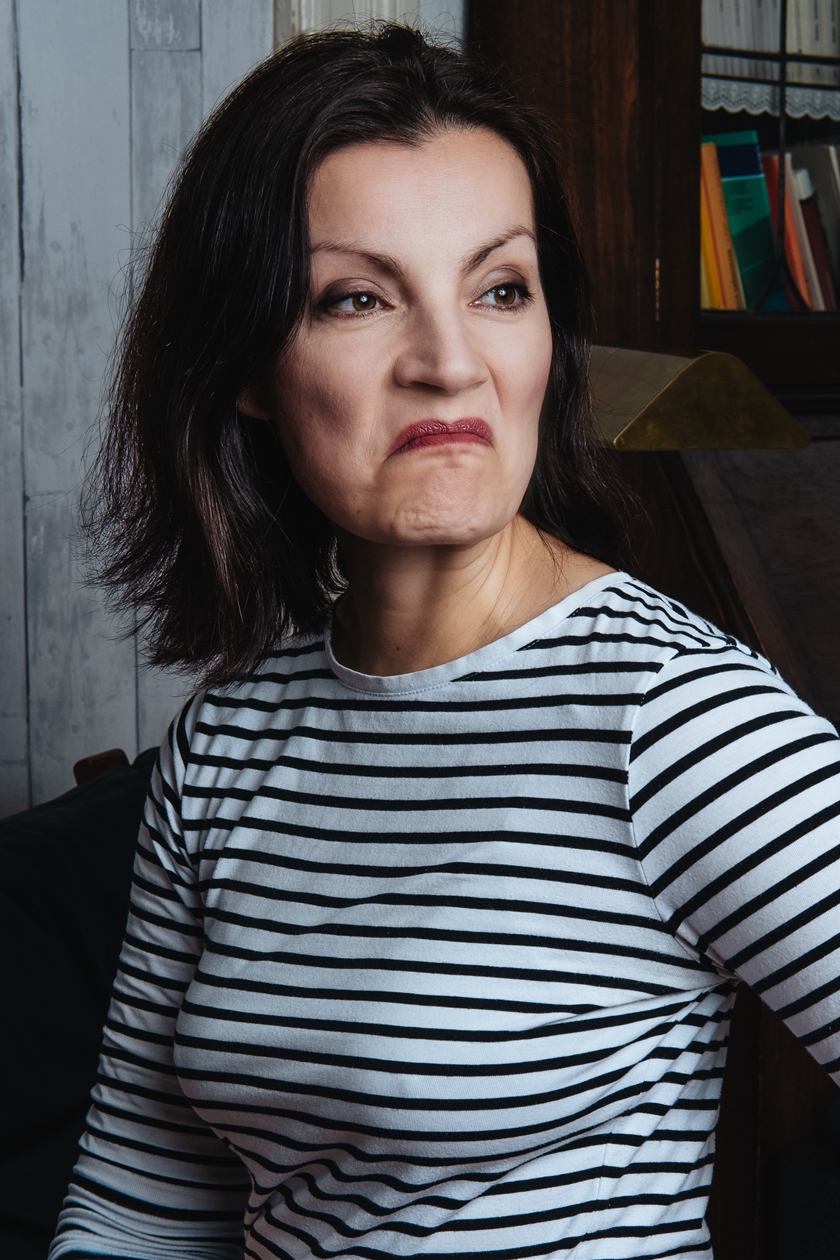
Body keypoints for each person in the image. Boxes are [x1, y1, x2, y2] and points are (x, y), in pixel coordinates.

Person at [50, 24, 840, 1260]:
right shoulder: (225, 744)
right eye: (358, 298)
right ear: (248, 362)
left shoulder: (678, 720)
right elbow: (139, 1204)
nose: (450, 363)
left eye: (500, 289)